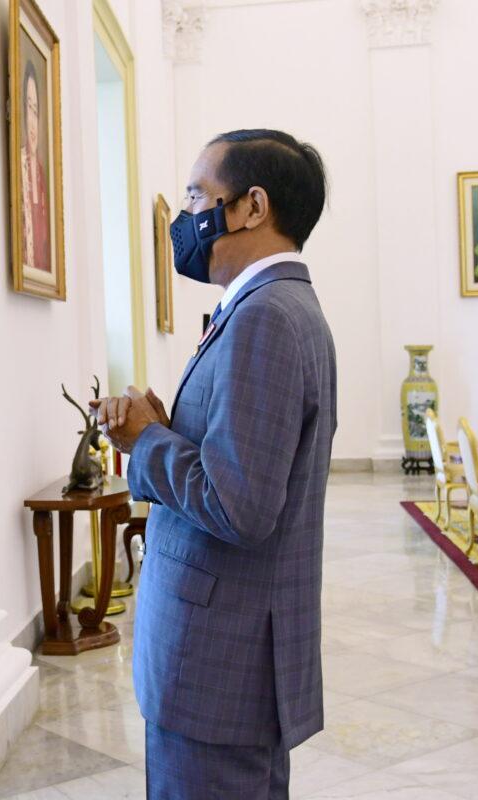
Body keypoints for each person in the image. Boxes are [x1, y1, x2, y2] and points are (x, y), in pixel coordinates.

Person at [94, 129, 335, 799]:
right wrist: (168, 431)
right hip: (223, 649)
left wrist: (145, 438)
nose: (187, 214)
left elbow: (241, 506)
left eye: (199, 193)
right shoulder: (273, 308)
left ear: (251, 206)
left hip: (218, 653)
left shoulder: (267, 318)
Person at [19, 60, 50, 273]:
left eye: (36, 110)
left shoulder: (40, 174)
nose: (32, 123)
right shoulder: (19, 168)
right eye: (28, 109)